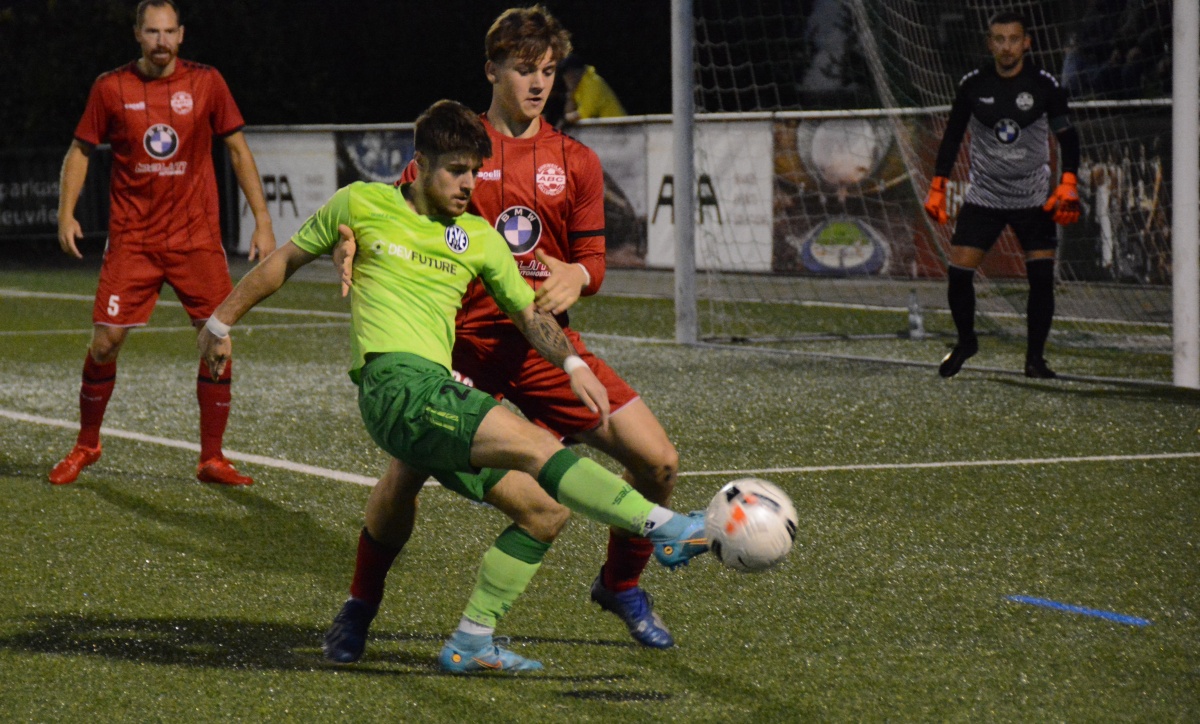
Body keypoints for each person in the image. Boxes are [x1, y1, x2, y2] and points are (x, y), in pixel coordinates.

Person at [197, 99, 708, 673]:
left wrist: (573, 366)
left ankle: (469, 640)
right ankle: (665, 527)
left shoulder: (481, 238)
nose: (469, 184)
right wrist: (220, 323)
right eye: (455, 171)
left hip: (436, 391)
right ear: (418, 165)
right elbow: (284, 261)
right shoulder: (361, 203)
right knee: (541, 449)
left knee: (544, 512)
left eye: (474, 171)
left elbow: (528, 315)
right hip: (393, 384)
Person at [324, 5, 683, 664]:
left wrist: (579, 274)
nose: (539, 83)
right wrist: (347, 238)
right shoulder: (458, 149)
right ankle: (358, 608)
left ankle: (620, 583)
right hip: (456, 352)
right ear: (491, 70)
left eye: (548, 70)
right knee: (406, 473)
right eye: (524, 70)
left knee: (658, 462)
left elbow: (594, 263)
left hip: (543, 345)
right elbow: (386, 215)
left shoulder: (576, 162)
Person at [49, 0, 275, 486]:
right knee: (106, 342)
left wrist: (261, 219)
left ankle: (211, 458)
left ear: (182, 34)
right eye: (152, 32)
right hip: (133, 239)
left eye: (169, 32)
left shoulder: (207, 82)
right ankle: (87, 445)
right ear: (137, 34)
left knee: (218, 342)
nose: (161, 41)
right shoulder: (110, 88)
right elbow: (80, 150)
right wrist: (66, 212)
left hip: (196, 239)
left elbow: (237, 149)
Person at [923, 10, 1080, 380]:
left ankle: (1035, 360)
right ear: (989, 43)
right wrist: (938, 184)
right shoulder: (973, 85)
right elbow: (952, 136)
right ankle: (966, 341)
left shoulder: (1045, 85)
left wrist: (1068, 181)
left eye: (1013, 39)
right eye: (999, 39)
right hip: (985, 197)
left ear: (1027, 42)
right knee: (958, 272)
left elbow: (1067, 136)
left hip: (1034, 198)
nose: (1006, 47)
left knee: (1041, 281)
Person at [558, 53, 627, 127]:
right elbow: (570, 112)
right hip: (606, 130)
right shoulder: (578, 87)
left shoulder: (592, 82)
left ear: (578, 71)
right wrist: (570, 94)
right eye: (565, 74)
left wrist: (564, 119)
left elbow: (582, 115)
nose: (567, 77)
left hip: (620, 128)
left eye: (569, 73)